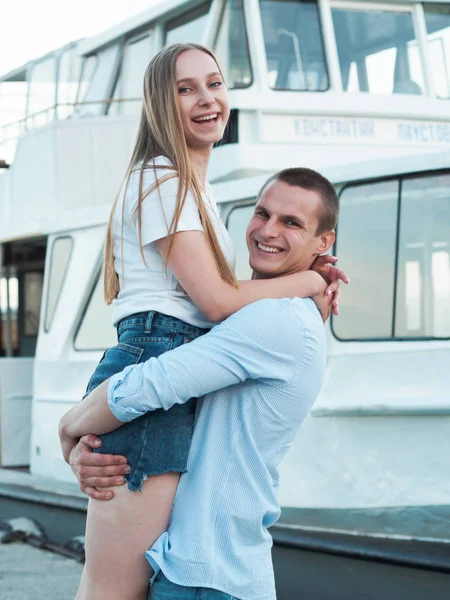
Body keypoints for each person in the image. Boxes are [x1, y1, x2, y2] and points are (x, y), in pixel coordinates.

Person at [71, 42, 345, 600]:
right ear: (159, 105)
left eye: (215, 84)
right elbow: (218, 305)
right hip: (156, 358)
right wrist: (312, 282)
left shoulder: (193, 188)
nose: (206, 99)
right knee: (113, 590)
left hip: (163, 364)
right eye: (185, 88)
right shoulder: (164, 181)